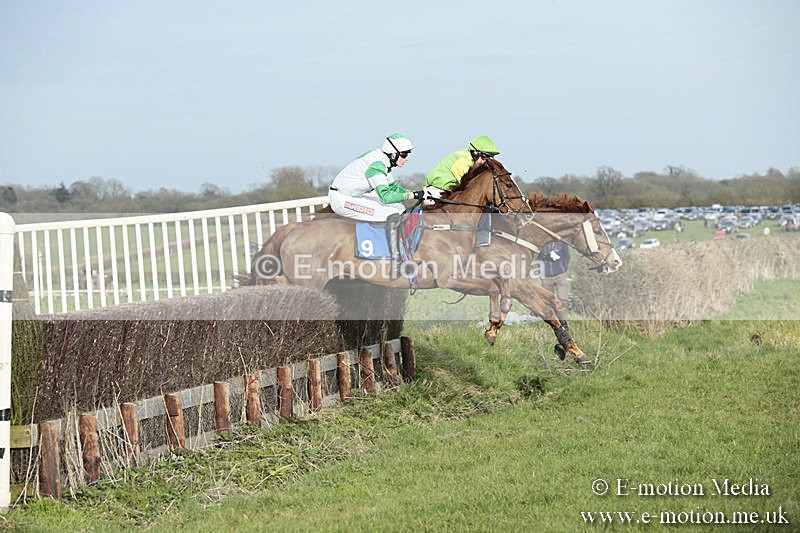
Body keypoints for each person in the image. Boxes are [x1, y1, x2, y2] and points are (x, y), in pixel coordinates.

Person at [328, 133, 433, 276]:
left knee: (399, 208)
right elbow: (386, 197)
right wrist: (415, 195)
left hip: (352, 196)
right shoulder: (377, 165)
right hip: (341, 199)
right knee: (391, 212)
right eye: (404, 154)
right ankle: (397, 263)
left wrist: (419, 193)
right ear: (393, 154)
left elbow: (394, 188)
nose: (407, 158)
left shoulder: (383, 161)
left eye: (408, 154)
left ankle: (400, 251)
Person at [424, 136, 500, 192]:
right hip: (436, 190)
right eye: (483, 157)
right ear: (475, 152)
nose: (484, 162)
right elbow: (468, 186)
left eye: (488, 159)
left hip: (448, 191)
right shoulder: (464, 160)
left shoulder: (472, 161)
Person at [539, 240, 571, 306]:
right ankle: (551, 314)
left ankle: (561, 314)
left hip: (560, 275)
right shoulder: (542, 242)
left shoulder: (561, 243)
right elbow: (538, 257)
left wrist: (563, 268)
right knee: (548, 300)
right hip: (546, 277)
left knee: (563, 299)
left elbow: (567, 256)